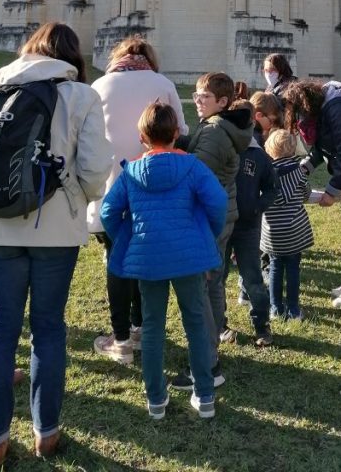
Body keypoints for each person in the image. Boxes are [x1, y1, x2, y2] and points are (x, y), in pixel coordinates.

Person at [0, 22, 111, 472]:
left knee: (0, 330)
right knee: (49, 329)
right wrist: (74, 197)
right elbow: (97, 168)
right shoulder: (80, 95)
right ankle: (46, 432)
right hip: (57, 231)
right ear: (71, 56)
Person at [100, 102, 227, 420]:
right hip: (189, 257)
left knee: (153, 327)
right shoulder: (194, 167)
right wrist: (206, 233)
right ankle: (205, 395)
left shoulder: (131, 173)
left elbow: (108, 213)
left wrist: (127, 235)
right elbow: (218, 202)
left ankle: (156, 399)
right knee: (195, 322)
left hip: (149, 258)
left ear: (142, 137)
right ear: (175, 134)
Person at [89, 36, 187, 365]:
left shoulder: (100, 85)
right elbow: (180, 131)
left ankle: (120, 341)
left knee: (117, 262)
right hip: (154, 187)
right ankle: (140, 328)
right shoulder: (162, 82)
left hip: (112, 188)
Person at [171, 72, 253, 390]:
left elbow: (196, 176)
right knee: (214, 283)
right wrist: (179, 142)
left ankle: (206, 365)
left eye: (203, 96)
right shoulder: (219, 126)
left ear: (222, 101)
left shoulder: (216, 131)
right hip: (221, 214)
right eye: (195, 95)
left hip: (208, 218)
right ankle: (212, 346)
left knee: (201, 289)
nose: (197, 101)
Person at [282, 79, 341, 308]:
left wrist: (332, 192)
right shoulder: (324, 110)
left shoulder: (338, 110)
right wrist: (300, 170)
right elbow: (321, 150)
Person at [222, 100, 279, 346]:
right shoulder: (221, 149)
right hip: (221, 223)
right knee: (217, 277)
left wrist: (258, 206)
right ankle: (219, 324)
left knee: (252, 277)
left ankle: (261, 325)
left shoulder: (259, 155)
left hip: (247, 226)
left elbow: (272, 187)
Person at [262, 130, 313, 320]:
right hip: (294, 230)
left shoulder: (266, 172)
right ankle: (293, 309)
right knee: (293, 269)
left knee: (274, 267)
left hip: (272, 231)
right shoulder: (299, 172)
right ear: (293, 149)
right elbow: (306, 193)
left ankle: (275, 307)